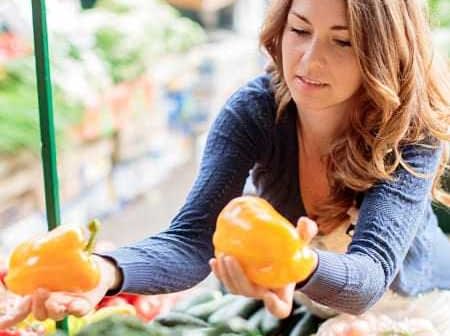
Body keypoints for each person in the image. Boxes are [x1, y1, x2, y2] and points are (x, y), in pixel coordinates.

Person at [1, 0, 450, 334]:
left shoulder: (410, 132)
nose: (310, 60)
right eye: (299, 30)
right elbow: (191, 243)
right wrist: (103, 271)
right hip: (308, 303)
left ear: (383, 50)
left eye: (342, 41)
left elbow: (369, 278)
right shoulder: (256, 112)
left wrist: (292, 264)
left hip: (414, 306)